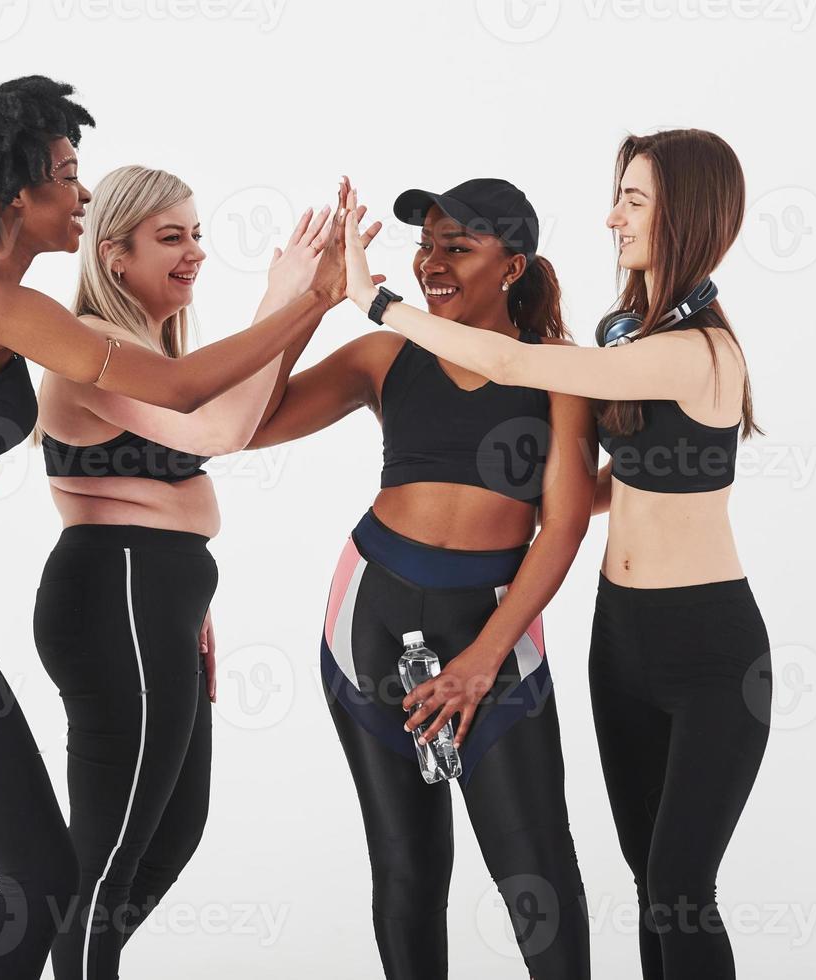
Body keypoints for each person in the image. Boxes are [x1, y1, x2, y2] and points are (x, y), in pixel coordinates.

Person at [0, 76, 352, 980]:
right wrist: (306, 301)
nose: (82, 197)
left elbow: (148, 417)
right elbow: (177, 391)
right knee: (42, 873)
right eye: (66, 175)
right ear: (20, 192)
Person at [341, 130, 772, 979]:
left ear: (683, 214)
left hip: (706, 644)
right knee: (650, 881)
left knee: (682, 885)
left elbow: (510, 359)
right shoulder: (633, 337)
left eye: (634, 200)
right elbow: (628, 481)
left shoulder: (698, 351)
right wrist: (555, 488)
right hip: (623, 639)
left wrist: (373, 300)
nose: (612, 216)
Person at [32, 167, 379, 979]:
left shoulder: (149, 356)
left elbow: (241, 414)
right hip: (117, 591)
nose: (194, 252)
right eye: (171, 237)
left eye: (195, 233)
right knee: (107, 861)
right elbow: (220, 430)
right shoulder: (92, 345)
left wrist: (312, 305)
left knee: (169, 840)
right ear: (114, 256)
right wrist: (293, 296)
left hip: (155, 594)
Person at [249, 178, 595, 978]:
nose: (432, 263)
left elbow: (565, 523)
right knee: (407, 868)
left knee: (535, 867)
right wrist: (310, 302)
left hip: (495, 626)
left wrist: (483, 659)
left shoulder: (559, 370)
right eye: (426, 244)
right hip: (368, 616)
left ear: (512, 266)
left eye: (457, 246)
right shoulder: (384, 352)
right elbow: (250, 424)